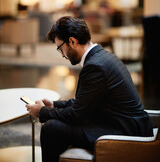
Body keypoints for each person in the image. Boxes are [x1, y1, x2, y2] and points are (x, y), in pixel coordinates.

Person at [26, 16, 153, 162]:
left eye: (60, 48)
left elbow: (77, 115)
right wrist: (55, 105)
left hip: (124, 132)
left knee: (51, 128)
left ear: (72, 41)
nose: (62, 55)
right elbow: (86, 102)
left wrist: (42, 112)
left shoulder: (95, 66)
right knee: (57, 125)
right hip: (124, 124)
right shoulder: (102, 56)